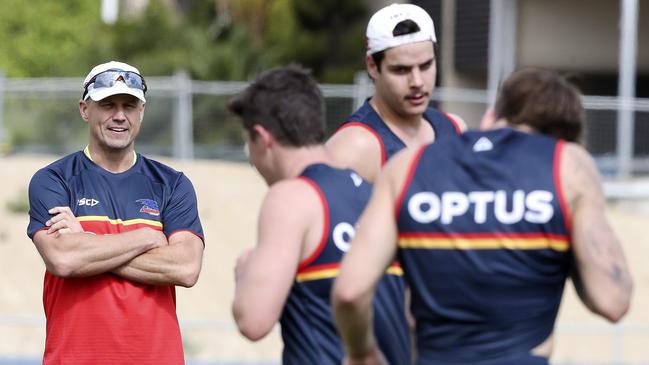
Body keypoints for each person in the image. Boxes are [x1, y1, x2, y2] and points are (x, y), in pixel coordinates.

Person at [332, 68, 633, 365]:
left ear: (492, 115)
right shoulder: (567, 166)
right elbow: (612, 301)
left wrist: (362, 353)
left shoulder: (408, 166)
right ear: (563, 139)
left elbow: (350, 292)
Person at [229, 65, 410, 365]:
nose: (253, 161)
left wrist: (244, 275)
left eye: (249, 145)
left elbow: (254, 320)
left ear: (262, 138)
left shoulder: (291, 198)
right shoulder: (374, 196)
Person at [26, 61, 205, 365]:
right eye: (108, 104)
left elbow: (185, 268)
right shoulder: (53, 180)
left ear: (142, 112)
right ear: (85, 109)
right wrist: (150, 236)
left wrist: (86, 242)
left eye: (129, 105)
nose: (119, 115)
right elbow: (64, 259)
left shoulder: (172, 184)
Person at [326, 3, 465, 182]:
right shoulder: (352, 147)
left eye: (425, 65)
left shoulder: (454, 128)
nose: (417, 82)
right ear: (372, 67)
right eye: (401, 70)